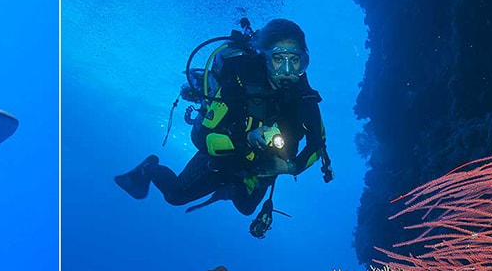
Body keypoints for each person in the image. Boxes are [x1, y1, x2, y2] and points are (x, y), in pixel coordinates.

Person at [114, 18, 333, 238]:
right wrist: (247, 138)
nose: (287, 70)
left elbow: (318, 144)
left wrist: (288, 167)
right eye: (278, 59)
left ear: (303, 62)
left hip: (262, 169)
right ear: (265, 57)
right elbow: (202, 137)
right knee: (175, 196)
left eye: (295, 60)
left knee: (246, 208)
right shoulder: (238, 83)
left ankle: (229, 189)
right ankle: (149, 168)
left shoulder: (305, 98)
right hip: (222, 161)